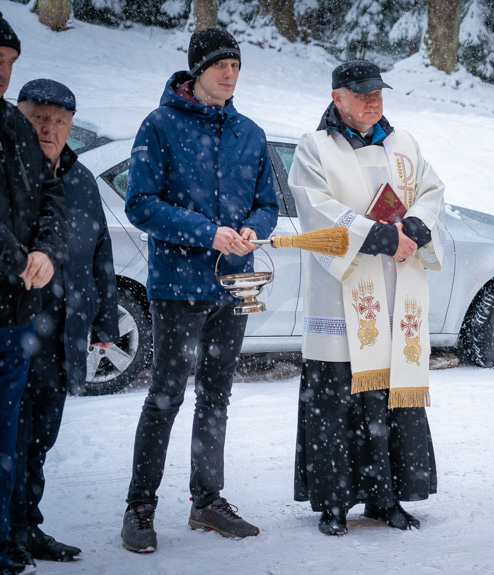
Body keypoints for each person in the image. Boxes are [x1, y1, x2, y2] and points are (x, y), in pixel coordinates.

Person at [120, 27, 278, 553]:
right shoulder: (160, 125)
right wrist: (206, 232)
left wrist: (254, 228)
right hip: (178, 287)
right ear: (196, 71)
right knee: (165, 395)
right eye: (219, 66)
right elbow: (140, 203)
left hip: (235, 284)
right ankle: (140, 506)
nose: (230, 74)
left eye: (236, 66)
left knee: (216, 395)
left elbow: (267, 204)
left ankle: (207, 501)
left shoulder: (250, 133)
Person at [288, 60, 445, 536]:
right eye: (362, 94)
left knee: (390, 400)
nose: (374, 101)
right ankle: (333, 502)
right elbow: (316, 210)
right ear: (338, 98)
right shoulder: (314, 148)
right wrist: (377, 236)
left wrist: (414, 228)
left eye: (378, 92)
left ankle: (386, 497)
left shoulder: (404, 143)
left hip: (398, 291)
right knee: (336, 401)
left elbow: (432, 191)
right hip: (343, 296)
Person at [7, 79, 119, 568]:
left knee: (39, 441)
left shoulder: (80, 180)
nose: (48, 129)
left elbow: (101, 253)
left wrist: (106, 316)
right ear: (18, 116)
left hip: (64, 333)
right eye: (38, 118)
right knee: (9, 441)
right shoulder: (11, 175)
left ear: (72, 127)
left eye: (59, 122)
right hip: (18, 329)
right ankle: (8, 534)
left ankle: (28, 526)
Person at [0, 14, 68, 575]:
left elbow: (55, 204)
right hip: (14, 304)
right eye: (38, 118)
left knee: (24, 441)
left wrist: (44, 251)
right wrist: (20, 260)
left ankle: (16, 533)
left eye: (8, 64)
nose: (48, 129)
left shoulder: (18, 135)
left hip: (35, 324)